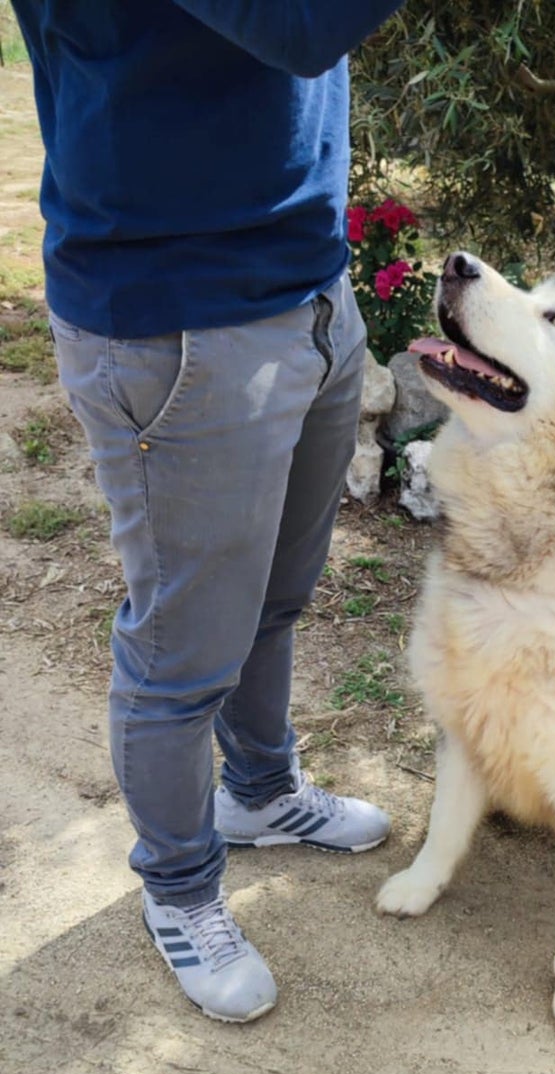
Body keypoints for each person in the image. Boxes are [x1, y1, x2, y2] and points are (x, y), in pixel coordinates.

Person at [13, 2, 407, 1022]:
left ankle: (262, 792)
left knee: (273, 595)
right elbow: (298, 24)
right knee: (184, 651)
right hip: (180, 318)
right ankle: (180, 888)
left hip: (308, 283)